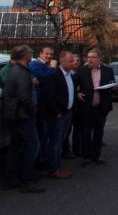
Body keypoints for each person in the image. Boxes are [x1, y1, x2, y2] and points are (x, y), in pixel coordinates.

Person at [2, 45, 45, 193]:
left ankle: (11, 178)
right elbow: (24, 97)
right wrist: (33, 108)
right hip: (23, 115)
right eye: (31, 53)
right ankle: (27, 180)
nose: (32, 55)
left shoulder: (17, 70)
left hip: (16, 115)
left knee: (16, 147)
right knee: (31, 145)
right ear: (24, 55)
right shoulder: (21, 72)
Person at [39, 51, 77, 179]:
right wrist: (57, 113)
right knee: (54, 142)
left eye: (73, 60)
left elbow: (70, 93)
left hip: (67, 113)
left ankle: (57, 166)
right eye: (70, 61)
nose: (73, 63)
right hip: (58, 115)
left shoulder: (70, 75)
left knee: (60, 141)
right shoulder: (54, 75)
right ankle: (53, 169)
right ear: (62, 61)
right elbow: (48, 97)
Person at [75, 49, 115, 167]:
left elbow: (112, 84)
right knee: (86, 133)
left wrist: (114, 88)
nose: (90, 59)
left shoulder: (108, 70)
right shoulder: (82, 70)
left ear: (99, 59)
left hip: (101, 108)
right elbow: (72, 84)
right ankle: (86, 158)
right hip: (86, 107)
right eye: (88, 57)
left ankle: (96, 157)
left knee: (98, 133)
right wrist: (77, 93)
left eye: (93, 57)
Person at [28, 46, 56, 167]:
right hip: (38, 104)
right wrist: (52, 69)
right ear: (40, 54)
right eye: (46, 54)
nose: (49, 56)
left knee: (44, 134)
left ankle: (42, 157)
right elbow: (44, 79)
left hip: (45, 105)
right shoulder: (35, 65)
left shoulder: (46, 65)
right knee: (39, 134)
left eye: (51, 54)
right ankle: (37, 160)